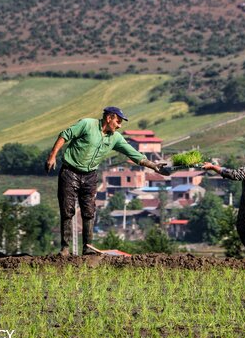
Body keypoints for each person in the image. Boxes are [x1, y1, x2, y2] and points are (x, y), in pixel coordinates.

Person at [46, 106, 166, 256]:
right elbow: (65, 135)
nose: (119, 125)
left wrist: (154, 166)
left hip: (90, 176)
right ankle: (65, 248)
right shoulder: (87, 124)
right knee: (67, 210)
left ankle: (87, 247)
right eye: (118, 121)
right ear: (109, 118)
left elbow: (134, 154)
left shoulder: (115, 138)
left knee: (89, 212)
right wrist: (52, 156)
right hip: (70, 172)